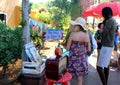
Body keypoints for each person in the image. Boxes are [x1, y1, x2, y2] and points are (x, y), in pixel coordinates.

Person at [66, 17, 90, 85]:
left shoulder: (72, 34)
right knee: (80, 79)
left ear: (77, 25)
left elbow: (67, 48)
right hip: (82, 60)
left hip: (72, 60)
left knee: (68, 77)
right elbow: (89, 49)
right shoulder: (86, 35)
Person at [97, 7, 117, 85]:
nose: (102, 15)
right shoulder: (113, 20)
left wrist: (100, 31)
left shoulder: (109, 21)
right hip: (109, 45)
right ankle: (106, 83)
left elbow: (104, 33)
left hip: (106, 46)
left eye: (103, 14)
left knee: (99, 67)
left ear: (105, 13)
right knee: (106, 66)